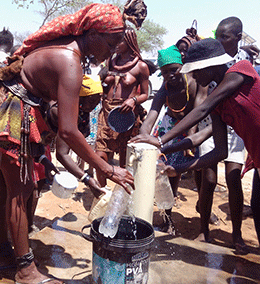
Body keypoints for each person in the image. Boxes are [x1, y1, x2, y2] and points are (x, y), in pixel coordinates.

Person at [0, 0, 147, 284]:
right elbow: (68, 131)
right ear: (92, 34)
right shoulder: (70, 61)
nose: (109, 53)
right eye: (109, 44)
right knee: (21, 189)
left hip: (14, 108)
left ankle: (4, 253)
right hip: (17, 114)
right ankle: (25, 270)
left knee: (7, 188)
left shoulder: (64, 53)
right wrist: (108, 171)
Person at [130, 37, 260, 251]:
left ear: (211, 65)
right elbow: (217, 150)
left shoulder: (240, 71)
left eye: (197, 70)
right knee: (258, 207)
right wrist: (173, 162)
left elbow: (201, 110)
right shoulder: (218, 101)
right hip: (258, 155)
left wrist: (161, 139)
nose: (194, 75)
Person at [138, 45, 206, 234]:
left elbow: (198, 111)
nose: (170, 75)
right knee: (170, 172)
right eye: (165, 72)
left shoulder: (194, 82)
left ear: (182, 66)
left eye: (173, 70)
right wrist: (143, 136)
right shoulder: (165, 88)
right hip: (171, 126)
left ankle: (204, 215)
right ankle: (167, 219)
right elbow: (152, 114)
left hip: (195, 126)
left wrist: (190, 138)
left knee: (200, 172)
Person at [95, 26, 149, 174]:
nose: (116, 43)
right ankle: (102, 192)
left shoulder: (141, 67)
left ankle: (126, 194)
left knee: (127, 161)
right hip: (106, 113)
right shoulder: (111, 63)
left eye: (120, 40)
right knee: (100, 156)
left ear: (129, 41)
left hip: (126, 115)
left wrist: (133, 101)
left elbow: (146, 94)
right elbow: (103, 86)